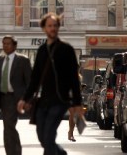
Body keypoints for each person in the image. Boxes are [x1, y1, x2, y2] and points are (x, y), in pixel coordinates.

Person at [18, 13, 83, 155]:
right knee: (42, 137)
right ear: (44, 29)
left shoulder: (67, 50)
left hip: (60, 100)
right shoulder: (41, 51)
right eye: (49, 26)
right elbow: (35, 79)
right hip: (43, 101)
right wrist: (25, 98)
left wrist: (77, 102)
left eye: (55, 26)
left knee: (48, 136)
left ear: (58, 28)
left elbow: (73, 78)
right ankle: (61, 154)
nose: (53, 28)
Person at [0, 35, 32, 155]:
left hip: (17, 98)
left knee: (9, 126)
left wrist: (27, 99)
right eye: (4, 43)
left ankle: (14, 152)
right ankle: (12, 152)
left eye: (8, 44)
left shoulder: (23, 60)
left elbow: (30, 82)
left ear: (14, 45)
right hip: (4, 98)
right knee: (8, 127)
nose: (5, 46)